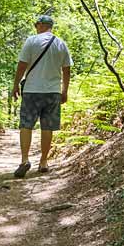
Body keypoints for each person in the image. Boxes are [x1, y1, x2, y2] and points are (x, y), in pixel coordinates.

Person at [12, 15, 73, 177]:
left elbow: (22, 65)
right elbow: (67, 70)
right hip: (52, 92)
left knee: (26, 124)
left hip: (32, 90)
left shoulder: (31, 41)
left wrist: (15, 85)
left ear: (39, 25)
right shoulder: (61, 44)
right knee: (47, 127)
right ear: (51, 26)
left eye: (36, 25)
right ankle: (43, 162)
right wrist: (64, 90)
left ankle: (25, 160)